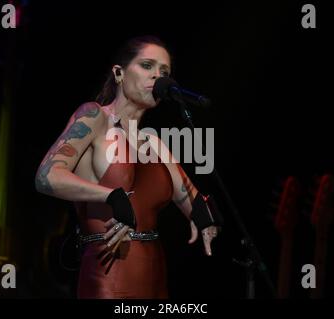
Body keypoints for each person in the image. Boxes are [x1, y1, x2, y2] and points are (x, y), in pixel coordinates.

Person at [35, 36, 221, 298]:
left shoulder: (154, 143)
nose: (158, 76)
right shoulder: (94, 117)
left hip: (155, 276)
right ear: (119, 73)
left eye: (164, 72)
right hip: (109, 274)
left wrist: (205, 217)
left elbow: (191, 198)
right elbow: (46, 176)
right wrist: (110, 195)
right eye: (147, 65)